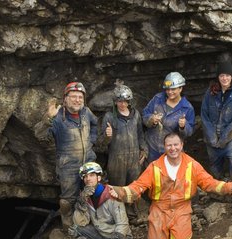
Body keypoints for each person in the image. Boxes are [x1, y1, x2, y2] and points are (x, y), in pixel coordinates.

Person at [110, 132, 232, 239]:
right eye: (169, 145)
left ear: (181, 145)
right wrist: (120, 192)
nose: (173, 148)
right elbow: (139, 186)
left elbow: (209, 183)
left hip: (181, 207)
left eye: (176, 145)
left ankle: (175, 230)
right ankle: (162, 232)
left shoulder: (192, 165)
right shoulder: (155, 166)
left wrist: (229, 187)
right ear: (164, 147)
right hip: (159, 208)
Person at [200, 56, 232, 212]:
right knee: (215, 167)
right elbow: (204, 116)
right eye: (222, 75)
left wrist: (223, 139)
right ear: (218, 77)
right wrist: (211, 137)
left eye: (227, 75)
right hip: (212, 138)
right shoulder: (210, 93)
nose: (224, 78)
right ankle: (221, 193)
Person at [45, 82, 99, 229]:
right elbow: (43, 137)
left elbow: (95, 124)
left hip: (88, 161)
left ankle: (91, 221)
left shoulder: (86, 113)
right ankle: (69, 227)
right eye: (73, 96)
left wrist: (92, 141)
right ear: (65, 99)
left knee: (92, 191)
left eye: (80, 97)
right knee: (68, 200)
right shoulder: (58, 118)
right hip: (68, 166)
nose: (77, 100)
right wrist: (49, 119)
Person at [68, 161, 132, 239]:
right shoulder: (86, 196)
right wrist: (82, 203)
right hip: (101, 233)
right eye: (85, 176)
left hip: (119, 237)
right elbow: (80, 222)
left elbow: (123, 224)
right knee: (76, 230)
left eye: (92, 175)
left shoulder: (112, 194)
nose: (88, 179)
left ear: (99, 178)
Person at [101, 82, 148, 224]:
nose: (122, 104)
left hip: (134, 158)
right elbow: (102, 144)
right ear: (115, 102)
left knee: (133, 187)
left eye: (125, 101)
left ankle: (134, 214)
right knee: (117, 188)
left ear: (129, 101)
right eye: (119, 101)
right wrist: (107, 136)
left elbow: (140, 134)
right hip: (116, 159)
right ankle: (118, 218)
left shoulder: (136, 115)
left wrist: (144, 150)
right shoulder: (109, 117)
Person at [142, 72, 195, 163]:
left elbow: (189, 132)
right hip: (152, 148)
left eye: (173, 89)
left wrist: (183, 126)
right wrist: (151, 119)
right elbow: (144, 114)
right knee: (153, 175)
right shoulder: (157, 99)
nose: (170, 92)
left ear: (180, 88)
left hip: (171, 151)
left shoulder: (186, 108)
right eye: (167, 89)